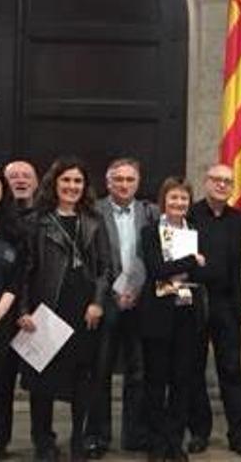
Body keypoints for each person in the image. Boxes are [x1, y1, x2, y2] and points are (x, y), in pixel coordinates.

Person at [16, 157, 112, 462]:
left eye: (78, 181)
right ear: (54, 183)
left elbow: (107, 268)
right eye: (66, 180)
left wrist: (98, 301)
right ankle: (44, 442)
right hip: (46, 312)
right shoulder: (36, 221)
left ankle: (78, 441)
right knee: (41, 382)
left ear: (85, 187)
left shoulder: (95, 220)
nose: (72, 186)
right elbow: (24, 271)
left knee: (83, 379)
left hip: (85, 312)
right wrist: (23, 310)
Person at [84, 158, 158, 458]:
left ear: (137, 182)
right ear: (108, 182)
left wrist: (137, 290)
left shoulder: (150, 212)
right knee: (100, 371)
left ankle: (135, 435)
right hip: (107, 301)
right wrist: (109, 294)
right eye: (118, 179)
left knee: (138, 372)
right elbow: (92, 260)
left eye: (130, 179)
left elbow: (154, 254)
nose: (124, 184)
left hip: (141, 301)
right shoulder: (93, 212)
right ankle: (97, 437)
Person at [186, 164, 241, 457]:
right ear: (206, 182)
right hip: (193, 302)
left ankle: (238, 435)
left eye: (227, 181)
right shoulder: (188, 216)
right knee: (193, 370)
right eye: (216, 180)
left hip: (227, 304)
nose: (222, 185)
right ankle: (199, 432)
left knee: (231, 370)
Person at [138, 177, 206, 462]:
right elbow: (156, 269)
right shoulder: (150, 231)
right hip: (158, 315)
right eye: (173, 198)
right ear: (163, 201)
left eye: (184, 199)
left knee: (182, 381)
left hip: (187, 315)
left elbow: (205, 274)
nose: (179, 203)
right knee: (155, 382)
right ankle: (156, 442)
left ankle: (175, 442)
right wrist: (192, 261)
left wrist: (189, 266)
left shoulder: (196, 232)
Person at [0, 169, 24, 460]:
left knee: (1, 381)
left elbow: (18, 275)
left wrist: (2, 307)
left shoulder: (13, 231)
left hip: (1, 316)